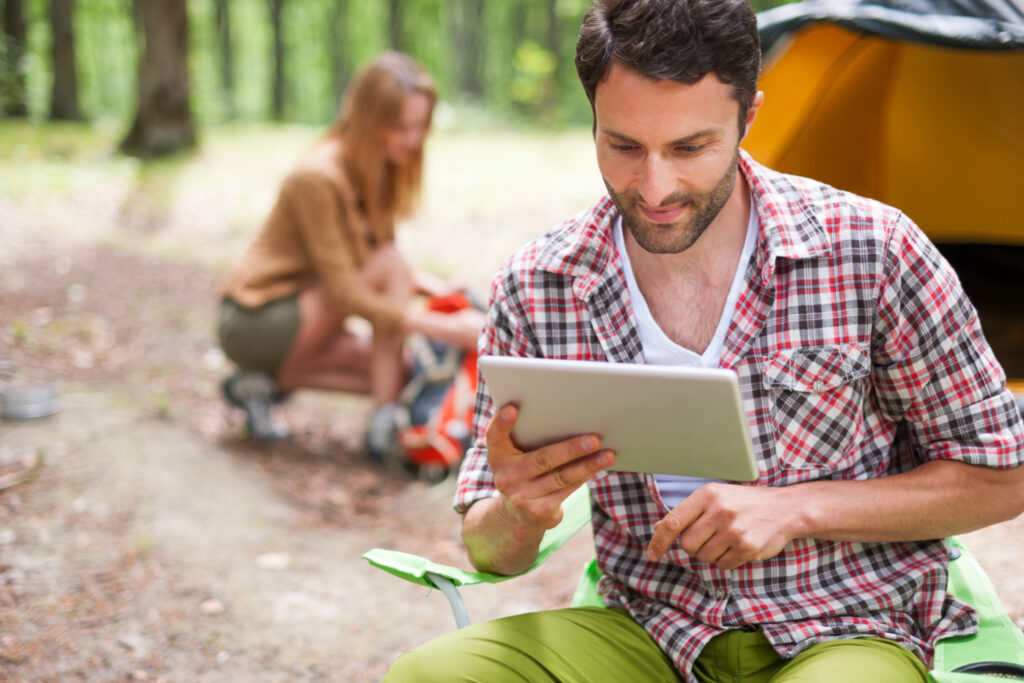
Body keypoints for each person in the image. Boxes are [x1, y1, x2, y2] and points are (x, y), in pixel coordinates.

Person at [385, 1, 1024, 681]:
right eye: (623, 145)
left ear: (750, 116)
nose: (654, 187)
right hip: (646, 631)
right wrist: (518, 510)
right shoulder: (539, 283)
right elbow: (492, 551)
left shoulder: (873, 250)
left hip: (843, 626)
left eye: (691, 147)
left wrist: (797, 508)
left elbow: (1002, 477)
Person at [217, 51, 483, 442]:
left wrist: (444, 293)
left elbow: (369, 254)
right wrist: (441, 326)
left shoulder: (376, 168)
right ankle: (383, 426)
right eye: (400, 127)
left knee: (401, 368)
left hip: (306, 315)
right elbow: (349, 291)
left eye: (421, 126)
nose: (413, 139)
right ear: (368, 120)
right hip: (257, 319)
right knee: (391, 275)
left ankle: (261, 384)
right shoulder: (318, 176)